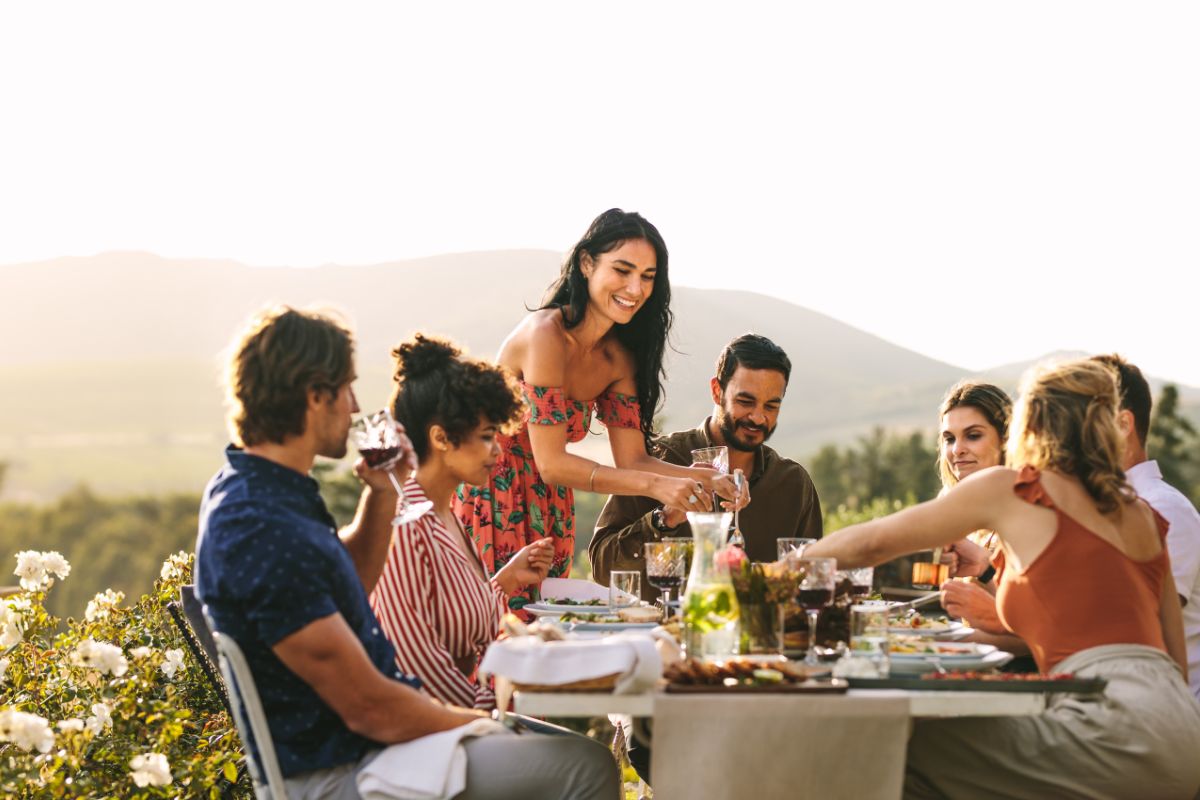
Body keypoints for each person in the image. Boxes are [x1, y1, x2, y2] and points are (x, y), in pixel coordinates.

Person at [196, 306, 618, 800]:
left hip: (373, 749)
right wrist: (479, 723)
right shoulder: (258, 525)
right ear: (314, 396)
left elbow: (347, 580)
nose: (355, 406)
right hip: (344, 769)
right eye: (346, 388)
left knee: (572, 754)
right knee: (585, 767)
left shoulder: (272, 490)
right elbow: (368, 707)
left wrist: (379, 494)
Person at [804, 357, 1200, 798]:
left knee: (889, 747)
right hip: (1182, 733)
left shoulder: (1014, 489)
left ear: (1028, 425)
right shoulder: (1142, 515)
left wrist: (784, 569)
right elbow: (1173, 661)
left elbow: (872, 543)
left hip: (1109, 725)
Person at [454, 209, 740, 613]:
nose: (635, 288)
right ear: (587, 263)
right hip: (490, 493)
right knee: (490, 625)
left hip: (549, 504)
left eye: (647, 276)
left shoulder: (618, 358)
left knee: (546, 627)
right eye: (622, 270)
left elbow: (634, 458)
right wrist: (653, 487)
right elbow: (551, 462)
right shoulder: (545, 336)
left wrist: (705, 479)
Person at [371, 334, 554, 709]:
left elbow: (456, 620)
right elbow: (418, 669)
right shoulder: (404, 525)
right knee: (587, 764)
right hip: (426, 731)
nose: (497, 450)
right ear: (440, 437)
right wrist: (503, 706)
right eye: (487, 437)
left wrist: (503, 581)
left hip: (460, 715)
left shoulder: (444, 513)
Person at [590, 333, 822, 592]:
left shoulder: (792, 483)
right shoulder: (655, 459)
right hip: (658, 630)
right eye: (745, 402)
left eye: (771, 407)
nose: (758, 418)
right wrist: (663, 519)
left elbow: (813, 579)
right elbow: (601, 568)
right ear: (716, 391)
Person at [1095, 353, 1200, 698]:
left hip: (1166, 709)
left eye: (1083, 421)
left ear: (1123, 425)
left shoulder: (1165, 508)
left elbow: (1136, 628)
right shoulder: (1104, 508)